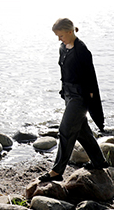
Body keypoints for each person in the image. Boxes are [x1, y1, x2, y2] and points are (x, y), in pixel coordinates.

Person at [41, 17, 109, 181]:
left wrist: (90, 101)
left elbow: (91, 78)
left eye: (61, 35)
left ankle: (57, 171)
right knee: (81, 131)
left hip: (80, 97)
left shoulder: (82, 51)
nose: (59, 39)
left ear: (70, 32)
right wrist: (64, 92)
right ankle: (99, 162)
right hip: (69, 95)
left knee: (65, 130)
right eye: (57, 36)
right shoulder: (63, 48)